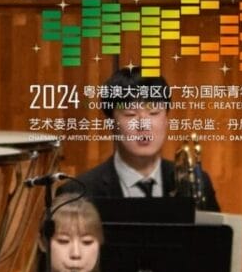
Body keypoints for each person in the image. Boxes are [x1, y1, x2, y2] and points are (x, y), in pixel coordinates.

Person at [73, 69, 220, 207]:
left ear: (166, 119)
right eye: (130, 114)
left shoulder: (195, 183)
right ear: (111, 123)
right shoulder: (78, 192)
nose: (143, 125)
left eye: (154, 113)